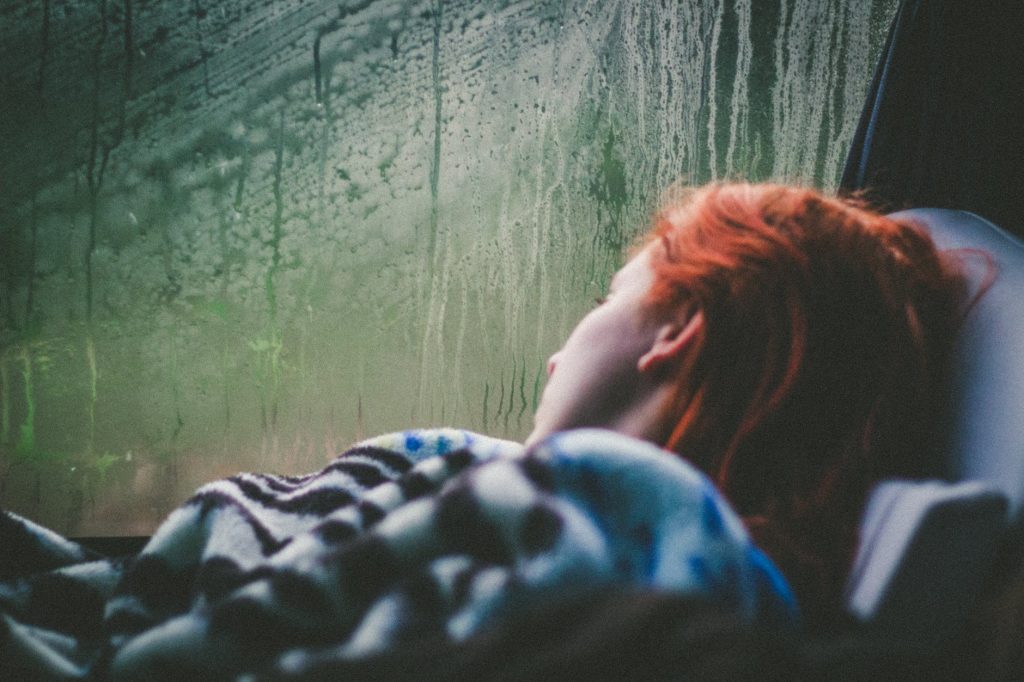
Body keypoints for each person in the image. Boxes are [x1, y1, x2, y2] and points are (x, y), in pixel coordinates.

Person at [527, 182, 971, 624]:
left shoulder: (548, 566)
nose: (555, 361)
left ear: (680, 331)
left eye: (608, 299)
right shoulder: (729, 612)